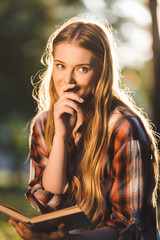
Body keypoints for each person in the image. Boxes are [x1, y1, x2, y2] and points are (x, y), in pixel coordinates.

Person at [9, 16, 160, 240]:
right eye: (61, 66)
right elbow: (47, 203)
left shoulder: (124, 129)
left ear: (101, 72)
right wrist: (61, 137)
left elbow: (128, 227)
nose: (68, 80)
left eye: (82, 69)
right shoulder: (43, 124)